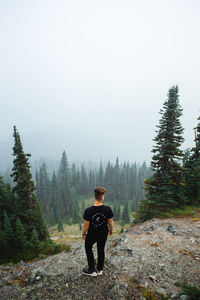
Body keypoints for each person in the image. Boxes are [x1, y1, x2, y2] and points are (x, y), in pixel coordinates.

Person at [82, 186, 114, 277]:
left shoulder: (88, 211)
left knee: (88, 247)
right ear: (102, 196)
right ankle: (100, 269)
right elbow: (111, 223)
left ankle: (91, 269)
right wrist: (111, 230)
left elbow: (86, 225)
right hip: (103, 233)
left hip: (92, 234)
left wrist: (84, 233)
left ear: (95, 196)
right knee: (101, 249)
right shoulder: (107, 209)